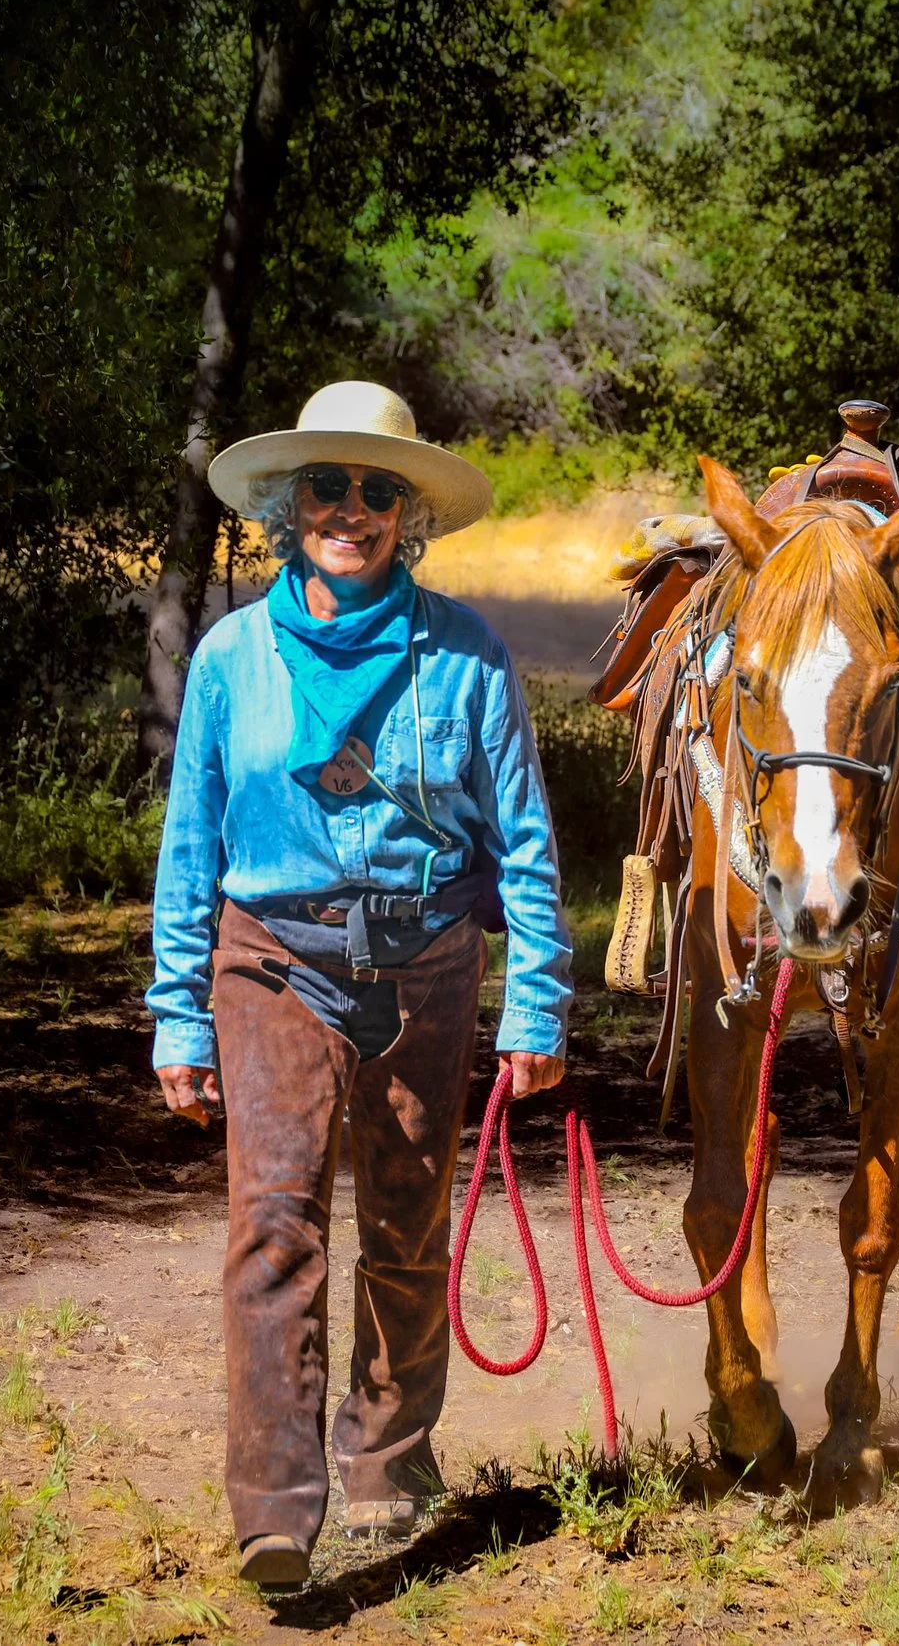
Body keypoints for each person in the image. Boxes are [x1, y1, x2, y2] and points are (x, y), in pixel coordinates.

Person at [146, 380, 573, 1590]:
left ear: (407, 515)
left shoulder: (467, 653)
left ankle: (388, 1458)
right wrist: (177, 1010)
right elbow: (190, 844)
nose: (349, 509)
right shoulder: (234, 655)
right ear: (290, 508)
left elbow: (525, 841)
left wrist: (536, 1002)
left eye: (376, 489)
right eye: (326, 486)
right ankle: (275, 1508)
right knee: (271, 1227)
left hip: (425, 965)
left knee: (404, 1223)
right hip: (270, 961)